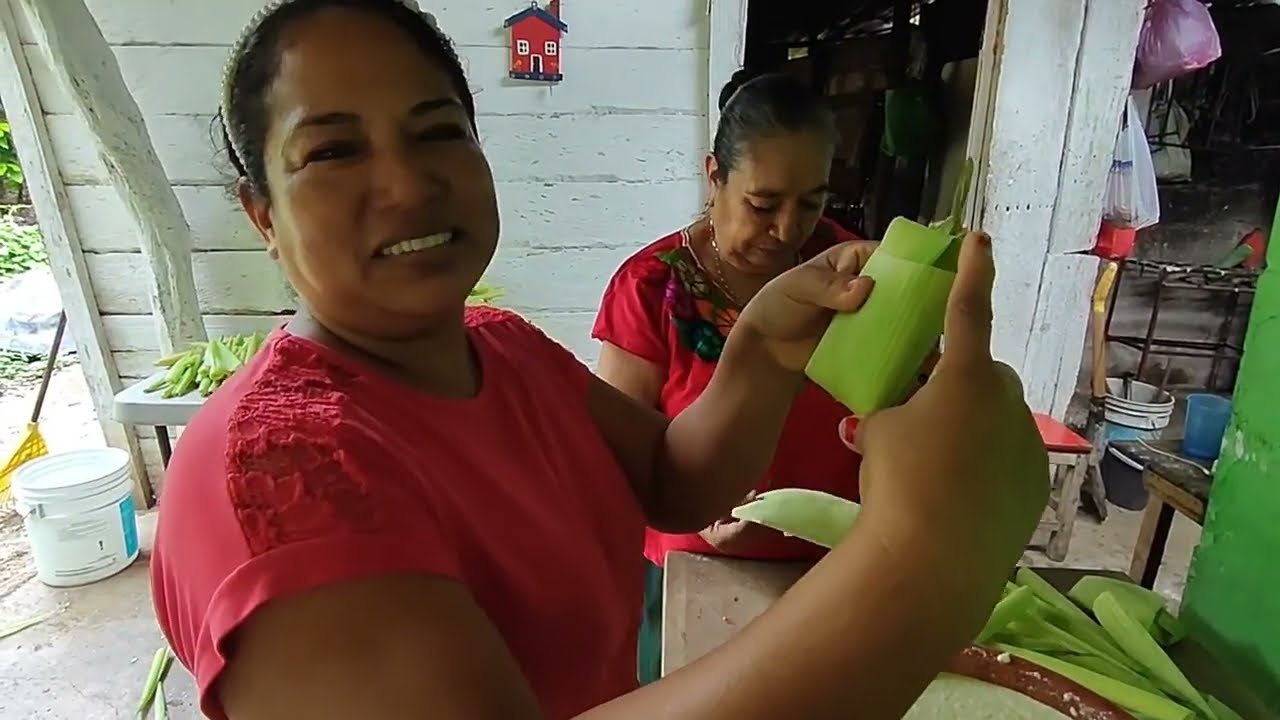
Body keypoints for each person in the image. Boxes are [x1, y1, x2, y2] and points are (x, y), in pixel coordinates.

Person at [149, 2, 1049, 719]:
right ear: (262, 213)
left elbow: (672, 477)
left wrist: (769, 339)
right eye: (333, 151)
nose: (408, 184)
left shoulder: (501, 349)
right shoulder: (280, 474)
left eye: (438, 131)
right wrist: (921, 555)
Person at [593, 70, 885, 685]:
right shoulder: (651, 287)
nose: (786, 230)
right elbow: (616, 455)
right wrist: (692, 510)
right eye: (763, 203)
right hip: (691, 572)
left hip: (832, 571)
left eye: (811, 203)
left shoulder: (859, 280)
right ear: (714, 176)